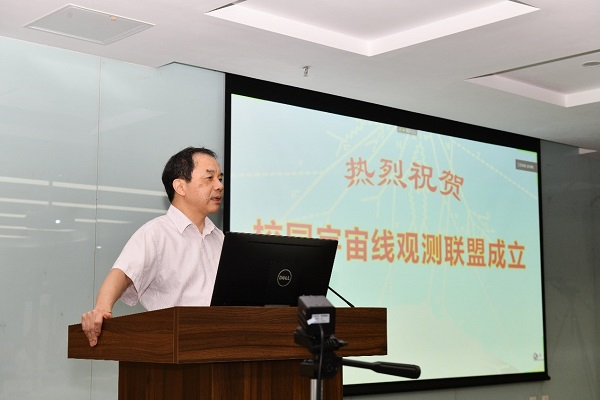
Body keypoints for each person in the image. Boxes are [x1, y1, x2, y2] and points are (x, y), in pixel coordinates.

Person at [81, 146, 224, 347]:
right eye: (209, 178)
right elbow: (122, 274)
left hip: (222, 341)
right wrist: (101, 310)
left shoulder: (219, 238)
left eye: (220, 178)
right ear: (180, 187)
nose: (219, 186)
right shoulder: (156, 233)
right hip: (175, 345)